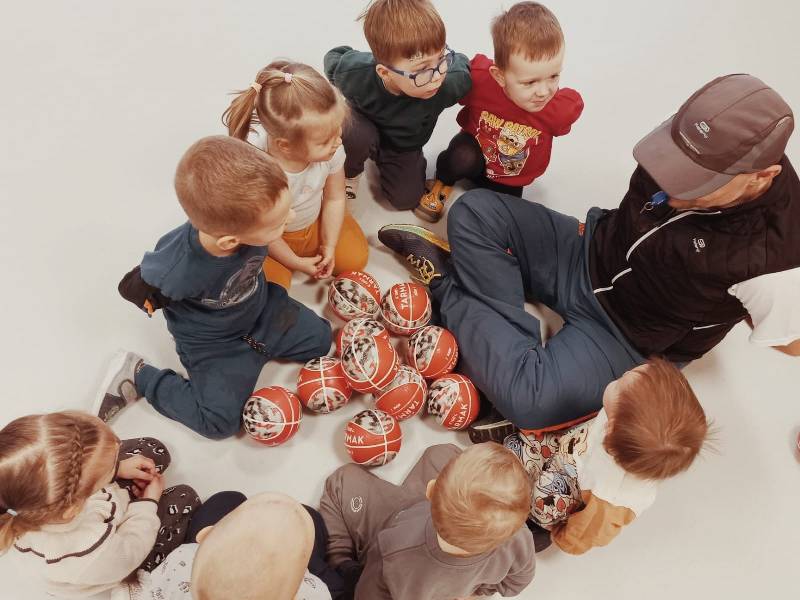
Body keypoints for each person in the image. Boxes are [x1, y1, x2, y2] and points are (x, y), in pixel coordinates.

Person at [379, 73, 799, 441]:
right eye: (677, 164)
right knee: (474, 210)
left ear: (762, 175)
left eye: (697, 181)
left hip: (626, 335)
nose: (672, 188)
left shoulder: (777, 261)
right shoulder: (684, 143)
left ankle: (446, 287)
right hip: (588, 249)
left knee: (531, 401)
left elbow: (793, 342)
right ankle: (497, 362)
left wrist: (753, 305)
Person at [103, 136, 331, 439]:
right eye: (277, 223)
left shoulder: (249, 223)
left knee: (321, 339)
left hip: (262, 310)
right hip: (214, 344)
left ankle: (258, 351)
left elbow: (269, 231)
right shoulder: (179, 267)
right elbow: (135, 284)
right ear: (229, 242)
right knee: (218, 424)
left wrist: (298, 262)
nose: (289, 219)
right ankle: (140, 375)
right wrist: (147, 295)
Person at [504, 359, 710, 553]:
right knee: (517, 442)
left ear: (611, 428)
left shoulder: (612, 497)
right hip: (570, 448)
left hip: (568, 490)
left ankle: (535, 524)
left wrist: (564, 538)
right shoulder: (628, 417)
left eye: (621, 382)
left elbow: (588, 532)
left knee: (542, 497)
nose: (627, 371)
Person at [0, 411, 199, 598]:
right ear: (74, 508)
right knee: (185, 497)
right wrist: (148, 503)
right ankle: (135, 586)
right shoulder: (88, 550)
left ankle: (101, 465)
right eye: (110, 467)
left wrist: (116, 469)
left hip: (93, 507)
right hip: (118, 558)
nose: (119, 448)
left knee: (153, 449)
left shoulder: (17, 490)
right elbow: (132, 547)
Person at [416, 1, 583, 222]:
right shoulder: (481, 80)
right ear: (499, 76)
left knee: (504, 216)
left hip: (509, 177)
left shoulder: (559, 108)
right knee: (459, 158)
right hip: (473, 153)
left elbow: (568, 113)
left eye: (553, 76)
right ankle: (442, 182)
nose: (543, 91)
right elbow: (456, 78)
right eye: (529, 82)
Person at [319, 443, 535, 600]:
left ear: (430, 490)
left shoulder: (395, 550)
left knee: (342, 479)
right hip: (447, 579)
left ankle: (341, 561)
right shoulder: (517, 536)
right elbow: (517, 582)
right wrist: (472, 593)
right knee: (440, 452)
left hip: (393, 522)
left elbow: (367, 595)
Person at [223, 60, 368, 290]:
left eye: (337, 129)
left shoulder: (332, 147)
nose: (337, 141)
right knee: (273, 289)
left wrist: (329, 246)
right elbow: (265, 232)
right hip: (270, 238)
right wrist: (296, 262)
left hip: (314, 222)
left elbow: (335, 197)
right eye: (324, 140)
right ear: (285, 146)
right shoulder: (260, 171)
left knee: (356, 259)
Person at [324, 0, 471, 211]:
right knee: (355, 134)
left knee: (406, 200)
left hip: (403, 146)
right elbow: (333, 58)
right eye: (422, 70)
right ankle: (349, 172)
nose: (436, 77)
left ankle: (393, 162)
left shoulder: (450, 84)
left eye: (440, 59)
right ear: (384, 72)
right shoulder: (355, 74)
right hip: (363, 126)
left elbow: (464, 65)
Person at [113, 492, 340, 600]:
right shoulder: (313, 593)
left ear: (206, 535)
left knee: (227, 499)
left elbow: (133, 592)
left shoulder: (184, 559)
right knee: (308, 515)